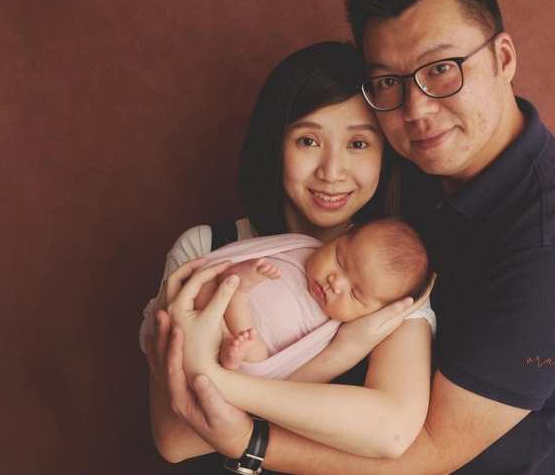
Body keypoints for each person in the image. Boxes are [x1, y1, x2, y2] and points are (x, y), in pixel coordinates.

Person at [164, 0, 555, 474]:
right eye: (389, 82)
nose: (418, 109)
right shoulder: (412, 177)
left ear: (503, 58)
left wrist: (247, 438)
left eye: (443, 69)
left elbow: (425, 452)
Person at [143, 41, 436, 469]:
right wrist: (332, 359)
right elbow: (176, 440)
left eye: (358, 144)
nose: (331, 172)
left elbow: (389, 430)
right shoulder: (207, 246)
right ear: (274, 145)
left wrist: (222, 385)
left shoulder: (393, 275)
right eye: (307, 140)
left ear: (385, 156)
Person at [143, 219, 429, 377]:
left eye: (355, 293)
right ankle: (236, 288)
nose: (335, 282)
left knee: (252, 353)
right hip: (202, 305)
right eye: (340, 260)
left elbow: (285, 371)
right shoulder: (300, 249)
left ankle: (235, 321)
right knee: (212, 285)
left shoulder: (331, 332)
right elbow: (226, 261)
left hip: (241, 343)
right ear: (342, 236)